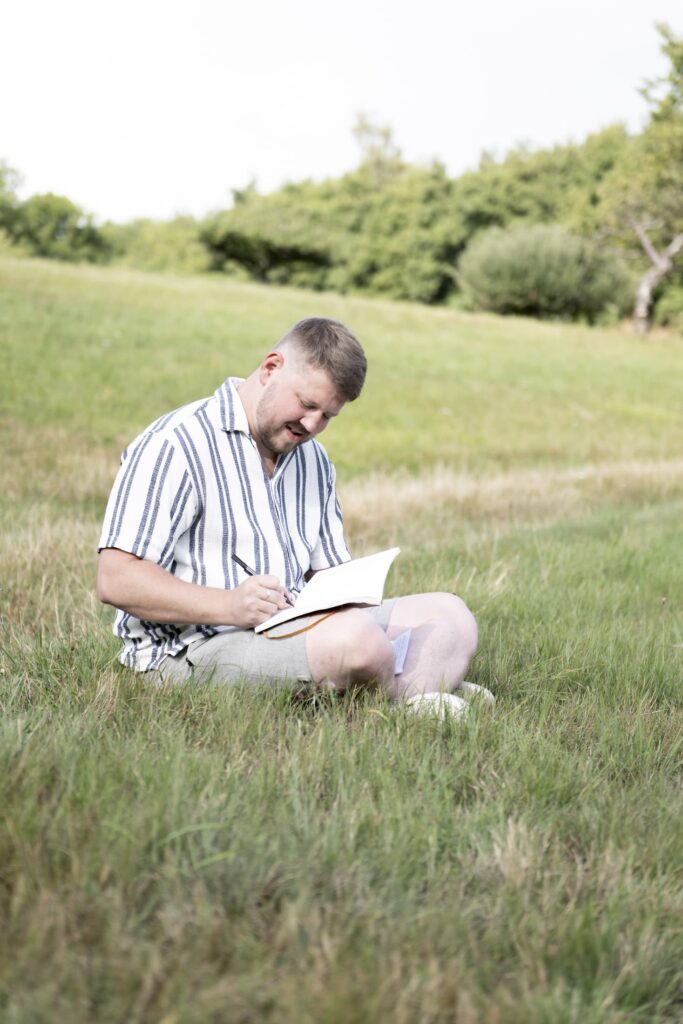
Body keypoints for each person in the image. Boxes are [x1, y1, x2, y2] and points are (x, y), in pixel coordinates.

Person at [97, 317, 487, 717]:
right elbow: (116, 578)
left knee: (449, 616)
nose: (312, 425)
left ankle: (399, 689)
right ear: (270, 368)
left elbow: (329, 576)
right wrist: (231, 606)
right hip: (190, 650)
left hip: (294, 627)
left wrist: (345, 594)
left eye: (328, 416)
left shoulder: (313, 460)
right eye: (307, 404)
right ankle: (408, 693)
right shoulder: (175, 444)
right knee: (357, 641)